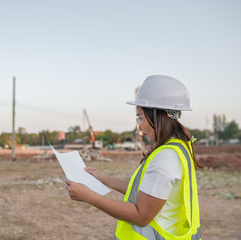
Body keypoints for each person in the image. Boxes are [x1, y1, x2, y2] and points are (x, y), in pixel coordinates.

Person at [65, 75, 201, 240]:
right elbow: (146, 192)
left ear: (157, 116)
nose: (139, 125)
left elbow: (141, 215)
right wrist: (101, 178)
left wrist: (88, 196)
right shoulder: (175, 148)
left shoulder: (166, 157)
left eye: (140, 118)